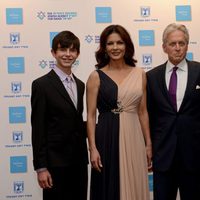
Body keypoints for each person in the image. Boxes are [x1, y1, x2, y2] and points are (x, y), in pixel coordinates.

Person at [86, 24, 152, 200]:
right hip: (107, 136)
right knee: (108, 187)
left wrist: (148, 144)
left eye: (120, 43)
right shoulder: (96, 76)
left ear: (127, 46)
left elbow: (143, 112)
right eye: (110, 43)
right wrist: (92, 148)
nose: (115, 47)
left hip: (134, 137)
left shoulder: (140, 74)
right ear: (104, 48)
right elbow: (91, 116)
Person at [31, 30, 88, 200]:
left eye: (72, 50)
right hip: (54, 165)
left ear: (77, 54)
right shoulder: (41, 85)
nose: (67, 54)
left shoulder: (80, 85)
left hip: (78, 163)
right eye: (63, 50)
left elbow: (75, 123)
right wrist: (41, 168)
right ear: (53, 53)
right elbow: (38, 128)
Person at [147, 23, 200, 200]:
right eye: (172, 44)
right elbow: (150, 115)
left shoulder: (199, 71)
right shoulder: (152, 77)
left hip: (194, 155)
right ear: (164, 47)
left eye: (182, 43)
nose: (177, 48)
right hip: (163, 156)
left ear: (187, 45)